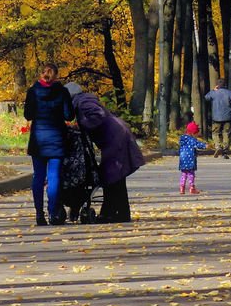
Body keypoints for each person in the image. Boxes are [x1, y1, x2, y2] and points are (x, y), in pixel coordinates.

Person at [67, 81, 146, 223]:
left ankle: (111, 214)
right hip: (116, 135)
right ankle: (120, 213)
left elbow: (98, 115)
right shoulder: (84, 100)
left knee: (112, 177)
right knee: (115, 178)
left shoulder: (82, 102)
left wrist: (82, 126)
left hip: (114, 138)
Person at [24, 64, 75, 226]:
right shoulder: (62, 92)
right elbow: (69, 115)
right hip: (57, 141)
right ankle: (53, 213)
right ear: (56, 76)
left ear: (41, 74)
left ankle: (39, 214)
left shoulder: (33, 92)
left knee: (38, 177)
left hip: (38, 140)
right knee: (54, 178)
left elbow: (28, 115)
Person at [204, 79, 231, 157]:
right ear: (225, 85)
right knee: (226, 133)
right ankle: (225, 149)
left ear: (217, 85)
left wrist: (213, 90)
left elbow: (206, 97)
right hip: (228, 117)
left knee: (215, 132)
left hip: (216, 117)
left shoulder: (213, 93)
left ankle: (218, 146)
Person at [178, 120, 209, 194]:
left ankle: (182, 188)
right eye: (196, 133)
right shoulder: (192, 140)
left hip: (182, 160)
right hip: (190, 159)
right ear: (192, 133)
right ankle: (192, 188)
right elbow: (198, 144)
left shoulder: (182, 139)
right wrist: (205, 146)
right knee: (191, 174)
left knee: (184, 174)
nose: (197, 135)